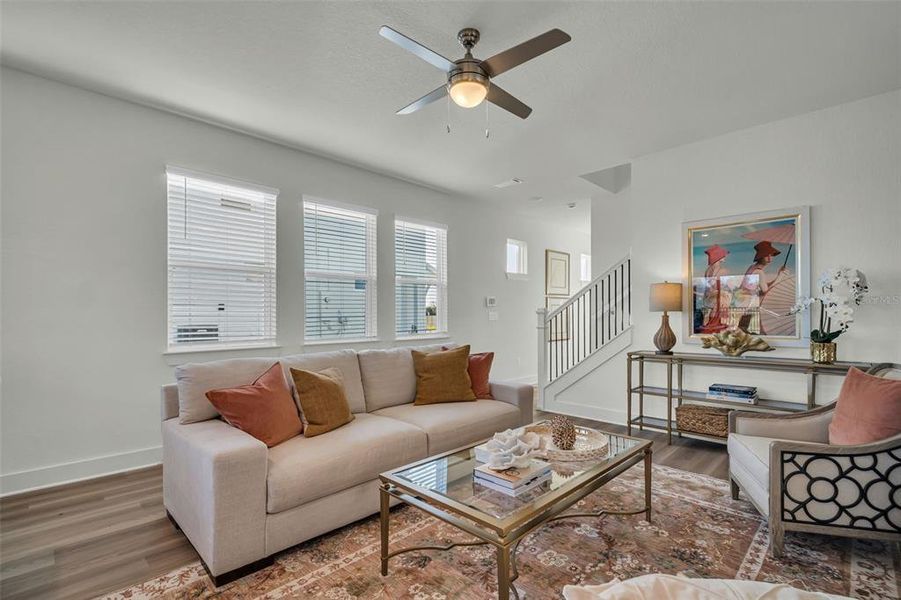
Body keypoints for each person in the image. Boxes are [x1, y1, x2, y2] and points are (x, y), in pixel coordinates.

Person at [736, 241, 787, 333]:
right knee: (743, 326)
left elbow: (764, 285)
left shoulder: (752, 267)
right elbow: (765, 291)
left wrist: (778, 276)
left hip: (742, 300)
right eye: (766, 255)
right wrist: (780, 276)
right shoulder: (759, 272)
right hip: (747, 302)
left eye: (771, 255)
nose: (769, 258)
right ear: (760, 256)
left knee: (743, 326)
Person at [699, 244, 729, 333]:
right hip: (717, 297)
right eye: (723, 255)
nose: (725, 257)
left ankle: (712, 324)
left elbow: (708, 285)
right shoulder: (723, 270)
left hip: (708, 297)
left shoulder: (708, 270)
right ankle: (714, 324)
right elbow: (719, 286)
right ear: (718, 256)